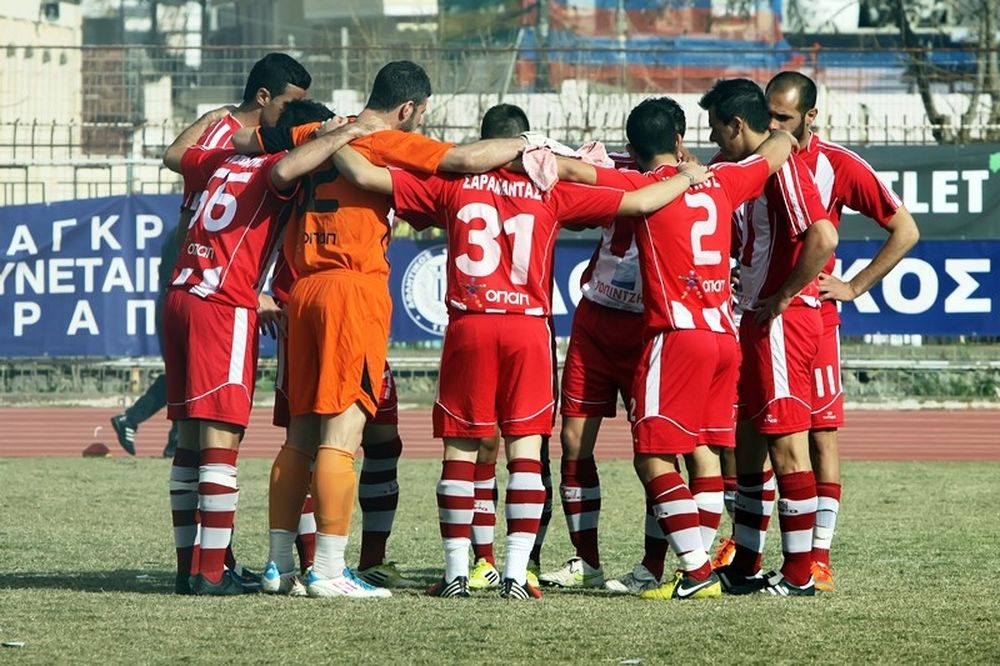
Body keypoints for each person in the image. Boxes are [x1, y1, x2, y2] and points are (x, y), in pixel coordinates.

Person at [330, 102, 713, 598]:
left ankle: (455, 575)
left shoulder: (453, 183)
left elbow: (364, 174)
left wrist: (336, 135)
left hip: (471, 323)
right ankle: (515, 573)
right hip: (528, 328)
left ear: (479, 143)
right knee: (526, 450)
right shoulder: (548, 187)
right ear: (526, 142)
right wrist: (688, 177)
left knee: (461, 450)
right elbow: (640, 202)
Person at [258, 61, 532, 599]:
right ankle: (329, 570)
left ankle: (277, 565)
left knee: (299, 439)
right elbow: (463, 159)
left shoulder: (317, 129)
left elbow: (259, 145)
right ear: (407, 108)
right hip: (349, 290)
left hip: (303, 289)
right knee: (343, 437)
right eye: (420, 115)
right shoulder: (385, 138)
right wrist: (528, 142)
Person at [551, 97, 800, 599]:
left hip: (671, 335)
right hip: (715, 333)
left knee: (657, 457)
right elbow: (777, 148)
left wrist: (530, 153)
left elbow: (571, 176)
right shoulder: (722, 180)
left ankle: (693, 569)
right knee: (699, 451)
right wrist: (780, 132)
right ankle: (683, 568)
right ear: (680, 142)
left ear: (632, 146)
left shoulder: (642, 185)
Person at [159, 100, 372, 596]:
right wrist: (342, 133)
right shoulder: (273, 169)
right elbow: (288, 166)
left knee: (191, 444)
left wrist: (218, 118)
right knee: (223, 446)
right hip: (224, 306)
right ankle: (212, 574)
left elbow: (178, 154)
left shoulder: (221, 158)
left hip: (181, 294)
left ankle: (190, 566)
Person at [110, 52, 311, 460]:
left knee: (192, 388)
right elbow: (190, 184)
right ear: (263, 96)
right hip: (206, 260)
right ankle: (166, 436)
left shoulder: (232, 132)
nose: (297, 115)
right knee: (211, 401)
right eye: (290, 105)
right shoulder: (236, 139)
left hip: (207, 263)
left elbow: (174, 156)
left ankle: (174, 442)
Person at [764, 71, 919, 592]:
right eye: (768, 115)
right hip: (762, 316)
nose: (774, 126)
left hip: (812, 318)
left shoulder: (839, 164)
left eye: (784, 118)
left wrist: (853, 286)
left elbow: (905, 230)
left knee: (819, 432)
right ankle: (747, 545)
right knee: (756, 433)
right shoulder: (755, 158)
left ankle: (818, 557)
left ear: (810, 117)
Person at [538, 103, 688, 594]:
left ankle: (653, 564)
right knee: (574, 443)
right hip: (596, 319)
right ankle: (587, 560)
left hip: (649, 328)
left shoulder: (690, 181)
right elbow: (575, 208)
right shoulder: (613, 167)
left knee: (657, 449)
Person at [697, 78, 839, 597]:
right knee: (750, 443)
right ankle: (748, 564)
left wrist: (783, 296)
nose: (715, 143)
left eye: (718, 131)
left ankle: (800, 574)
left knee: (787, 447)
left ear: (738, 125)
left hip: (782, 323)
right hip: (756, 321)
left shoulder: (783, 172)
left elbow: (823, 236)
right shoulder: (755, 169)